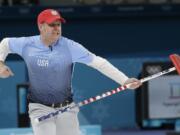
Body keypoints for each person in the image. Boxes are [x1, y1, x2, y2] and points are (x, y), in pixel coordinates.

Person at [0, 9, 142, 135]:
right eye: (52, 25)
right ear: (41, 26)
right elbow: (5, 43)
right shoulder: (27, 44)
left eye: (59, 24)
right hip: (39, 108)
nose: (57, 29)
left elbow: (100, 63)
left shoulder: (70, 47)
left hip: (66, 108)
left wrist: (124, 80)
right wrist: (0, 64)